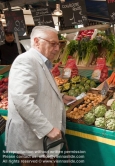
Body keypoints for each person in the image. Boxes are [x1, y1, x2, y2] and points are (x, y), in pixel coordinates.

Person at [5, 26, 76, 165]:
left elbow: (39, 88)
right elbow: (22, 99)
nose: (57, 48)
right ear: (37, 42)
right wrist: (47, 128)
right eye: (53, 43)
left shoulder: (41, 62)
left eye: (58, 44)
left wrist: (60, 97)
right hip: (33, 143)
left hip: (42, 143)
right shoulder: (25, 61)